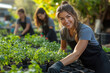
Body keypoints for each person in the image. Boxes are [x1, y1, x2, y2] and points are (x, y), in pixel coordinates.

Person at [48, 1, 110, 73]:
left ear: (74, 15)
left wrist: (59, 64)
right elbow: (63, 48)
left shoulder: (84, 30)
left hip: (100, 63)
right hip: (85, 64)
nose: (66, 21)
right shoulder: (63, 32)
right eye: (62, 18)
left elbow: (77, 53)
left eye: (68, 16)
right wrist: (55, 60)